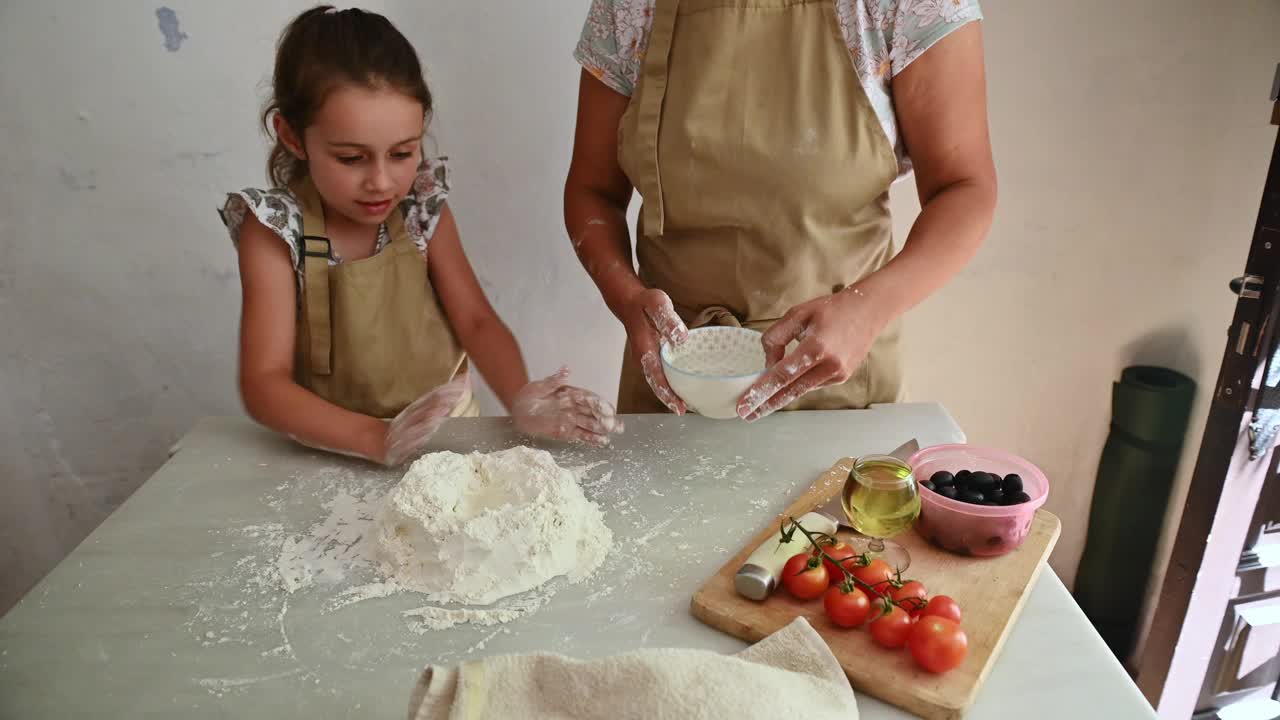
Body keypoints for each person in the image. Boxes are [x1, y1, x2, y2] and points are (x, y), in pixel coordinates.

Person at [221, 6, 622, 466]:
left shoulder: (421, 209)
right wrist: (375, 437)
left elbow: (477, 322)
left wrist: (519, 399)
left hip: (445, 442)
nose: (382, 182)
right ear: (292, 137)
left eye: (402, 153)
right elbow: (264, 384)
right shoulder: (274, 230)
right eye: (351, 158)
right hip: (331, 453)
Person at [565, 0, 997, 420]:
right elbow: (593, 190)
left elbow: (964, 187)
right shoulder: (629, 7)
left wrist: (867, 309)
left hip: (838, 390)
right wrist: (627, 299)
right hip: (677, 381)